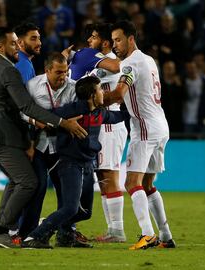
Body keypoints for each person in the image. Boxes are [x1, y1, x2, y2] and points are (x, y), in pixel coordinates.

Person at [0, 27, 87, 249]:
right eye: (13, 43)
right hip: (2, 134)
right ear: (0, 46)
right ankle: (0, 230)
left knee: (17, 180)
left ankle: (2, 228)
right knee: (28, 182)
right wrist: (62, 122)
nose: (18, 47)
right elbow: (25, 106)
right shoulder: (9, 70)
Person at [21, 76, 129, 249]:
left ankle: (63, 234)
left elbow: (119, 116)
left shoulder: (99, 113)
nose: (104, 92)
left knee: (85, 212)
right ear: (91, 95)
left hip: (88, 165)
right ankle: (35, 236)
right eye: (101, 89)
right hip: (70, 164)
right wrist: (62, 124)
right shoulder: (70, 110)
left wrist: (141, 108)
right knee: (70, 208)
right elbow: (48, 117)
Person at [104, 20, 176, 250]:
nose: (115, 45)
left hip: (144, 128)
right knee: (147, 184)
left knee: (131, 182)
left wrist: (93, 101)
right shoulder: (149, 59)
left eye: (118, 40)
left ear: (131, 39)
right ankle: (165, 236)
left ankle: (147, 235)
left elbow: (117, 94)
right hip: (160, 125)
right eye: (113, 40)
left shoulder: (131, 63)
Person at [18, 52, 77, 239]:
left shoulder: (73, 87)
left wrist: (64, 122)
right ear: (47, 70)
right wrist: (37, 122)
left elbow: (80, 112)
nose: (63, 76)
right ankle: (27, 233)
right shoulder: (33, 85)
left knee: (65, 192)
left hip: (64, 146)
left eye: (66, 71)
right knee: (39, 187)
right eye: (58, 72)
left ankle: (65, 234)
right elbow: (22, 112)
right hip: (40, 145)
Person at [87, 23, 128, 243]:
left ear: (104, 42)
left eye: (93, 38)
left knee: (109, 175)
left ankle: (118, 230)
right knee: (102, 177)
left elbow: (117, 96)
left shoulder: (113, 65)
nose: (89, 41)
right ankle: (112, 230)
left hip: (110, 125)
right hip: (101, 124)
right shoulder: (98, 64)